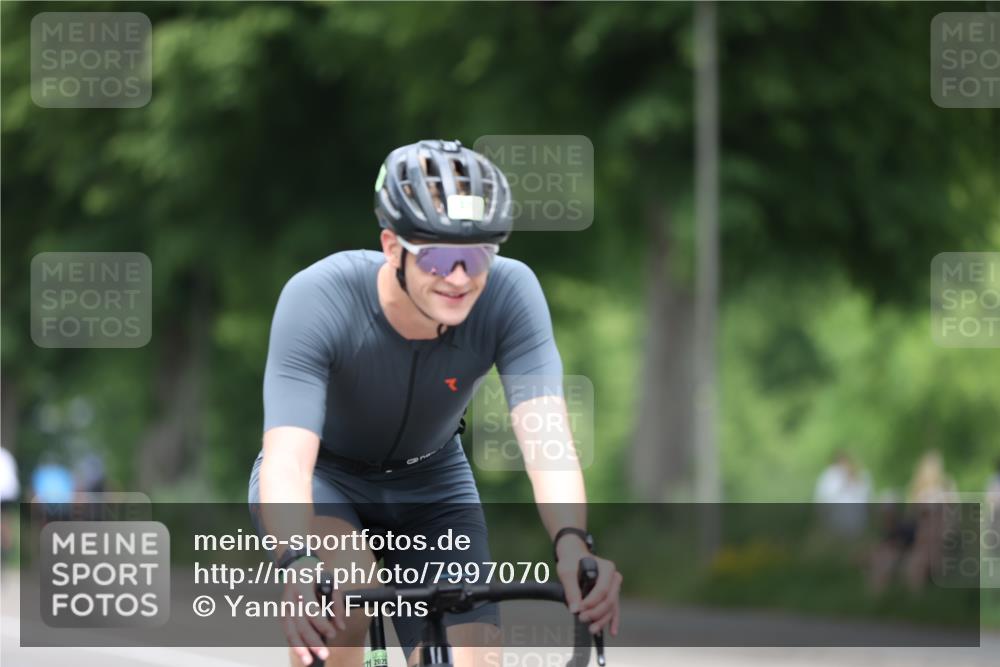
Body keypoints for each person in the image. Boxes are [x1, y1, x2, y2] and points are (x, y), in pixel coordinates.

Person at [248, 139, 621, 667]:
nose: (460, 278)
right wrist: (297, 562)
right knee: (343, 605)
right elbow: (287, 458)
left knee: (473, 658)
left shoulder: (512, 294)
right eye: (439, 257)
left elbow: (548, 440)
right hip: (325, 478)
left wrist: (572, 544)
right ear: (391, 246)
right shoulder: (319, 298)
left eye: (477, 256)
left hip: (433, 483)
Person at [813, 450, 872, 537]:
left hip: (855, 520)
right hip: (835, 519)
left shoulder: (858, 474)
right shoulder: (829, 476)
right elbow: (824, 497)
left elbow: (864, 496)